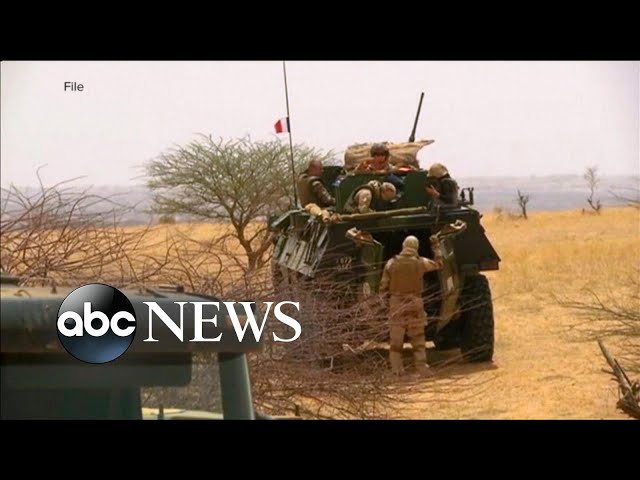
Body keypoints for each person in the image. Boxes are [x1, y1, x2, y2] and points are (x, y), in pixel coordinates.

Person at [379, 234, 444, 376]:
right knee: (418, 339)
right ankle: (422, 368)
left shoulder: (391, 263)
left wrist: (383, 304)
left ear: (404, 246)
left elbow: (383, 286)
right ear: (416, 247)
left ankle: (397, 370)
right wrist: (436, 247)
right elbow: (439, 264)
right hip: (415, 303)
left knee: (396, 342)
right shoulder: (421, 262)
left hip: (396, 304)